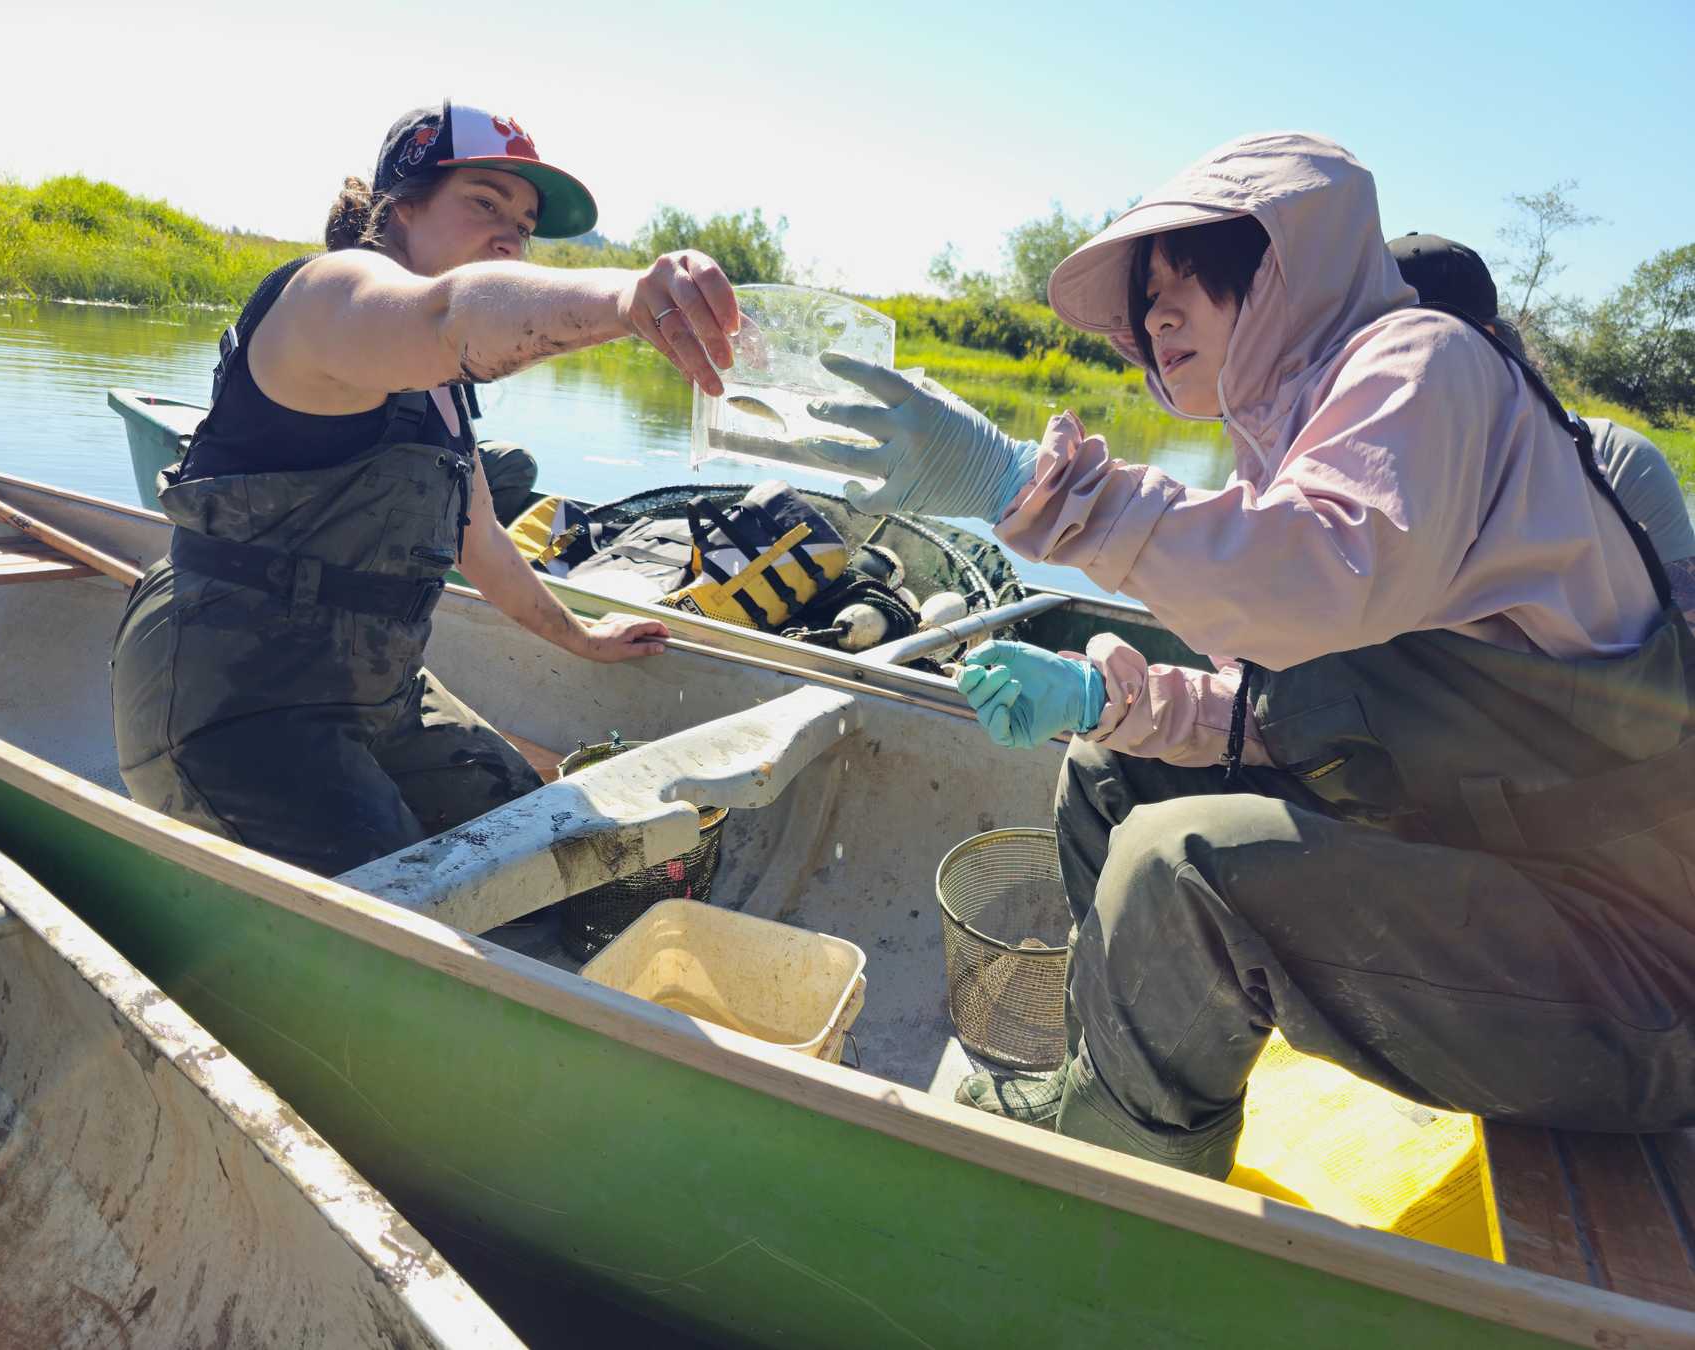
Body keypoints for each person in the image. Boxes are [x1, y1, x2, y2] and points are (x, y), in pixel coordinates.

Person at [807, 132, 1695, 1178]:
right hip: (1495, 870)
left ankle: (1114, 1194)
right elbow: (1286, 708)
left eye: (1194, 281)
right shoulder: (1310, 434)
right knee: (1113, 774)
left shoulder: (1429, 362)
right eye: (1145, 298)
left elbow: (1310, 582)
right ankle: (1113, 1090)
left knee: (1181, 874)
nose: (1154, 317)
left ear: (1286, 276)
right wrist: (1106, 697)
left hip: (1637, 973)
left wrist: (1029, 490)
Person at [112, 100, 740, 878]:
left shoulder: (440, 392)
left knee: (540, 850)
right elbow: (451, 315)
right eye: (483, 201)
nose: (510, 233)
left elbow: (482, 539)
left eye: (524, 221)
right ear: (400, 204)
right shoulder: (329, 296)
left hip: (376, 692)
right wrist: (624, 302)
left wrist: (582, 638)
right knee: (405, 901)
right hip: (230, 700)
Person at [1388, 232, 1695, 623]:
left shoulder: (1618, 464)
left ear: (1486, 341)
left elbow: (1684, 643)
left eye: (1401, 345)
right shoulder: (1343, 489)